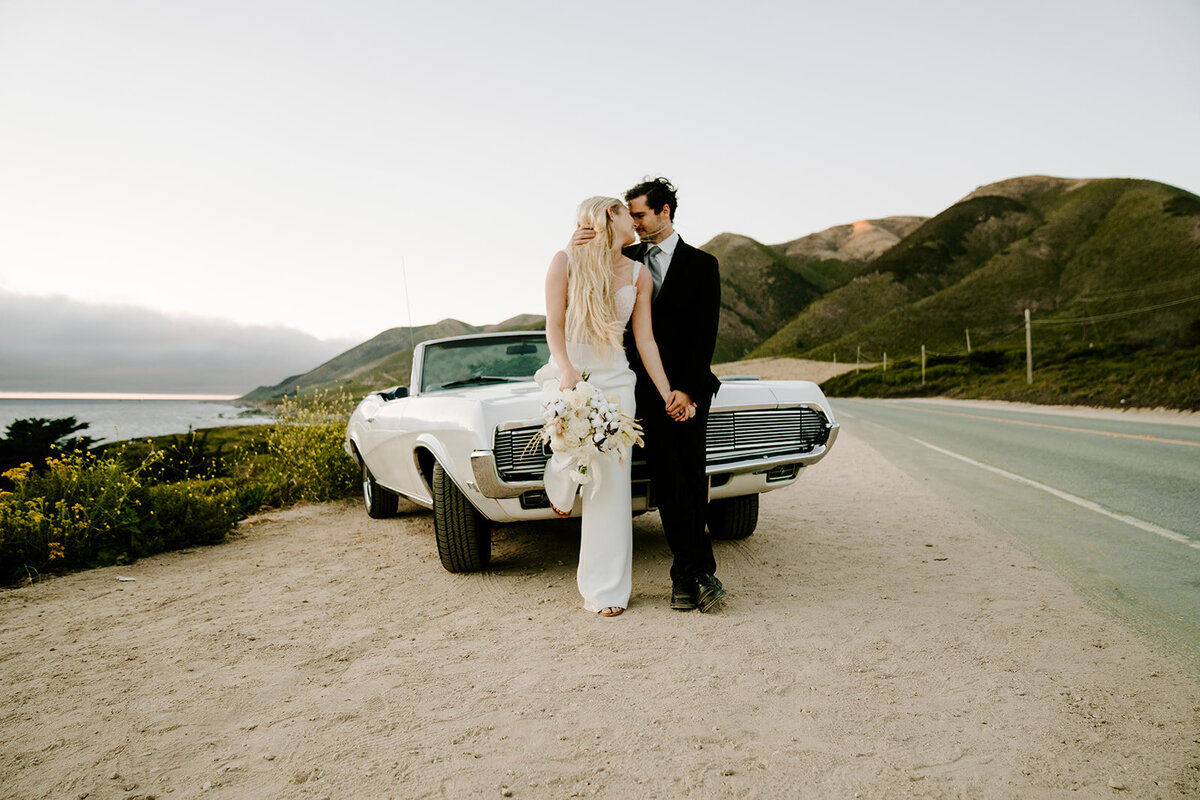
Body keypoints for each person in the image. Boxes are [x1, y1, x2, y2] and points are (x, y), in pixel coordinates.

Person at [572, 177, 725, 613]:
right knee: (666, 477)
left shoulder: (702, 264)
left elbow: (704, 336)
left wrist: (687, 390)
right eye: (631, 216)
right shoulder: (623, 259)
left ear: (665, 211)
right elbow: (580, 283)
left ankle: (690, 574)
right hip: (637, 389)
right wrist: (578, 241)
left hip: (688, 389)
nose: (635, 223)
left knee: (692, 478)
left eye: (640, 214)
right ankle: (694, 574)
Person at [535, 196, 689, 617]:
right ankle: (562, 478)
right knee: (572, 450)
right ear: (609, 218)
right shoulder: (565, 260)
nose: (634, 222)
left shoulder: (640, 274)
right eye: (626, 213)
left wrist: (665, 391)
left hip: (618, 379)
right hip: (571, 370)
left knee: (612, 488)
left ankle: (605, 591)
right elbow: (553, 322)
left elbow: (646, 340)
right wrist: (565, 368)